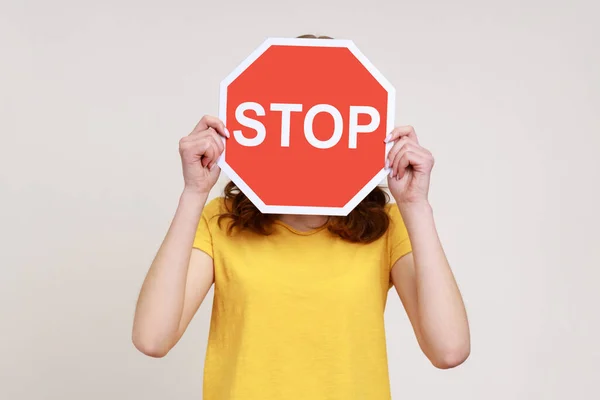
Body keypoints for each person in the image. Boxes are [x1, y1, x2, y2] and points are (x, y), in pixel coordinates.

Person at [133, 75, 470, 400]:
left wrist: (416, 205)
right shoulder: (221, 219)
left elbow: (448, 350)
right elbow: (152, 338)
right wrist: (194, 192)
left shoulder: (388, 225)